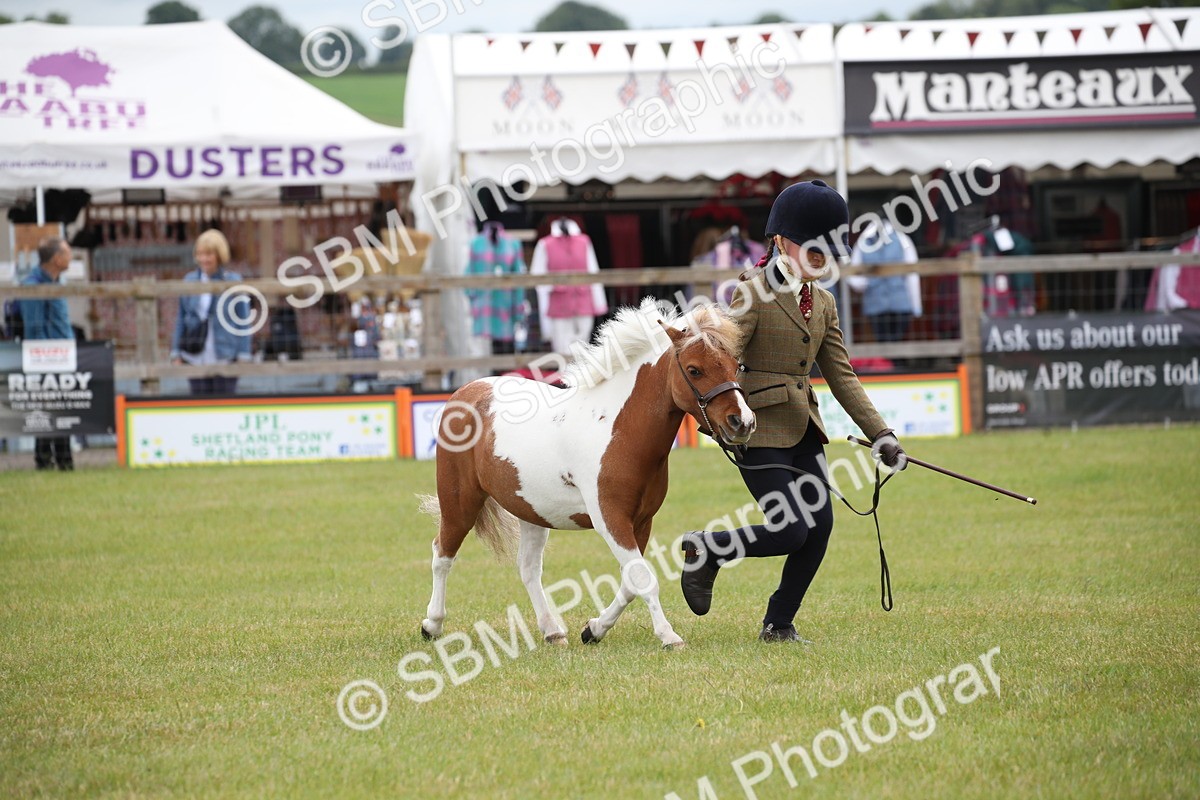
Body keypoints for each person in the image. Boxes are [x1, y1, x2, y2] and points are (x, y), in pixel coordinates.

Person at [680, 180, 908, 643]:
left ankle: (778, 624)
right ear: (783, 242)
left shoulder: (823, 303)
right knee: (790, 530)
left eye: (830, 253)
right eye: (815, 251)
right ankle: (710, 548)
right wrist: (719, 418)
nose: (824, 261)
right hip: (757, 428)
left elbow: (841, 374)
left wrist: (881, 433)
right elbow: (723, 355)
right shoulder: (751, 292)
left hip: (804, 430)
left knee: (819, 529)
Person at [169, 229, 251, 394]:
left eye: (208, 254)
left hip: (225, 353)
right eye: (200, 254)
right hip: (195, 354)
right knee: (198, 402)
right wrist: (175, 351)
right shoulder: (189, 281)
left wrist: (244, 353)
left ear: (219, 255)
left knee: (225, 401)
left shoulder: (233, 281)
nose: (203, 259)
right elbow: (181, 318)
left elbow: (244, 320)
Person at [19, 236, 75, 470]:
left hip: (63, 356)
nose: (71, 257)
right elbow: (34, 328)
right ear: (56, 259)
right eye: (67, 253)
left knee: (63, 409)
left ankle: (64, 460)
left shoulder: (56, 283)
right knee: (44, 409)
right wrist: (47, 358)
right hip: (46, 357)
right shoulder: (32, 285)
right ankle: (44, 460)